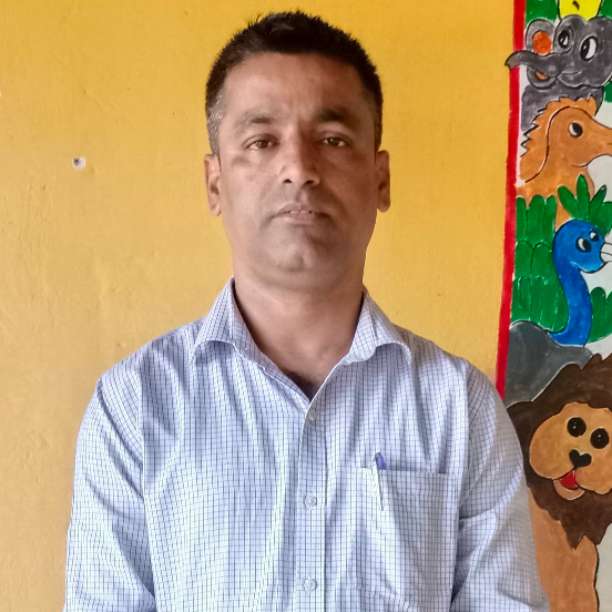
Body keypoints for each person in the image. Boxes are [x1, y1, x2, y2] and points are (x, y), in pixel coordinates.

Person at [63, 11, 549, 611]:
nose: (299, 168)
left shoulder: (459, 409)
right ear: (215, 183)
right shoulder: (136, 407)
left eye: (333, 139)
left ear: (380, 178)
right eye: (261, 141)